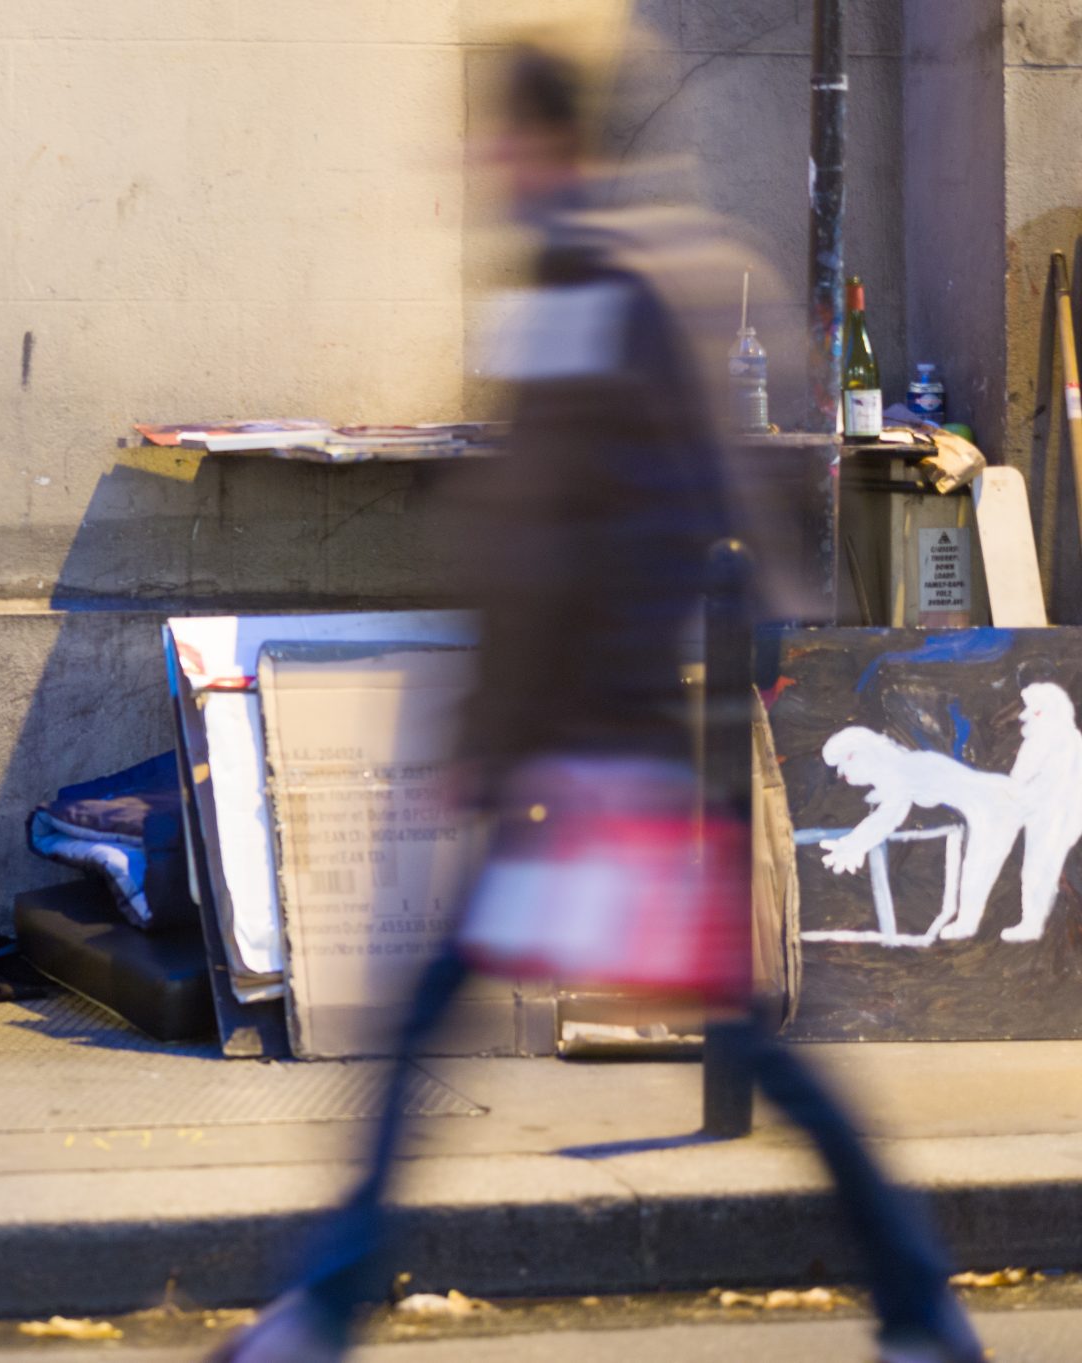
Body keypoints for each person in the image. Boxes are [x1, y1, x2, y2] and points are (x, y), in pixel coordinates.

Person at [209, 32, 983, 1363]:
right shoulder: (585, 279)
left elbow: (609, 532)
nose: (477, 163)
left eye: (491, 139)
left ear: (537, 143)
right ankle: (917, 1302)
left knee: (687, 1033)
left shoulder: (602, 287)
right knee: (502, 1019)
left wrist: (567, 728)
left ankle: (917, 1297)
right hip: (578, 751)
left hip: (594, 757)